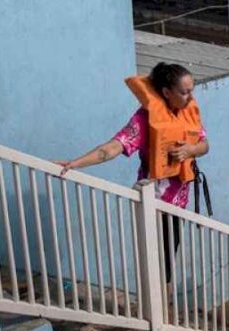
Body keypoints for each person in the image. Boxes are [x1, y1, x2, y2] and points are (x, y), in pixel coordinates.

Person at [55, 62, 209, 281]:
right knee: (155, 262)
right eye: (184, 92)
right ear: (166, 92)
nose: (190, 97)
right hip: (152, 201)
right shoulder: (145, 119)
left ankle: (163, 307)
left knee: (167, 261)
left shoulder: (188, 114)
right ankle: (156, 310)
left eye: (192, 90)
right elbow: (111, 148)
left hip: (178, 204)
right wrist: (74, 163)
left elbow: (205, 145)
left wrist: (190, 149)